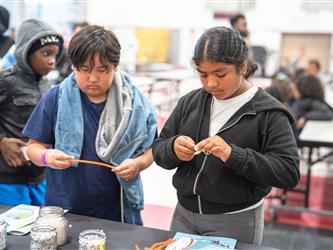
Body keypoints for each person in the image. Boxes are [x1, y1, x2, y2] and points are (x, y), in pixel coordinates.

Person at [152, 27, 300, 245]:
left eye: (221, 74)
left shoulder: (269, 113)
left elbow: (288, 172)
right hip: (183, 214)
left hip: (235, 220)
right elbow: (158, 149)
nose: (211, 83)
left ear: (243, 67)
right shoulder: (191, 102)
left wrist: (233, 155)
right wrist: (172, 148)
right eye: (203, 75)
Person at [23, 25, 157, 224]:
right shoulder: (56, 98)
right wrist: (47, 156)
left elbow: (154, 148)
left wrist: (138, 164)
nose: (93, 78)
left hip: (116, 211)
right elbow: (33, 147)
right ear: (73, 66)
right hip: (65, 208)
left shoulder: (134, 102)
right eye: (84, 69)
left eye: (102, 70)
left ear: (115, 67)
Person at [0, 18, 63, 205]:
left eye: (55, 54)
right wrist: (1, 142)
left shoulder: (48, 85)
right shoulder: (6, 81)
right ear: (25, 51)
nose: (52, 60)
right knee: (13, 233)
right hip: (8, 180)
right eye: (45, 53)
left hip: (40, 177)